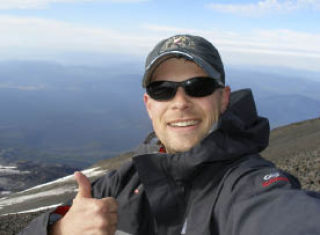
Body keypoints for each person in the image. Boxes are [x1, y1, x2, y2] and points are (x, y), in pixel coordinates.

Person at [20, 34, 320, 235]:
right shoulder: (122, 181)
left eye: (198, 87)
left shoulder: (247, 185)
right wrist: (57, 231)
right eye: (162, 90)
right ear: (149, 105)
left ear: (224, 98)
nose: (179, 102)